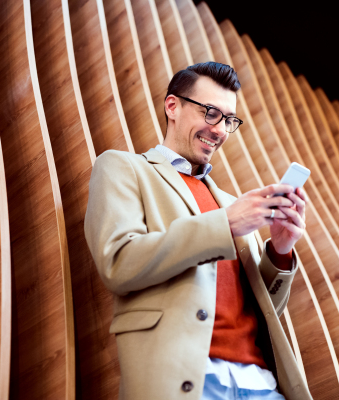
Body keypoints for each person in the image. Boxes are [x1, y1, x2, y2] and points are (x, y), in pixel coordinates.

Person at [84, 62, 312, 400]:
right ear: (172, 106)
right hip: (186, 379)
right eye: (210, 113)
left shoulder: (232, 204)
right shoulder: (123, 168)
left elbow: (264, 311)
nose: (220, 129)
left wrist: (279, 251)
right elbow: (118, 262)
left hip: (261, 384)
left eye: (229, 120)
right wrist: (226, 224)